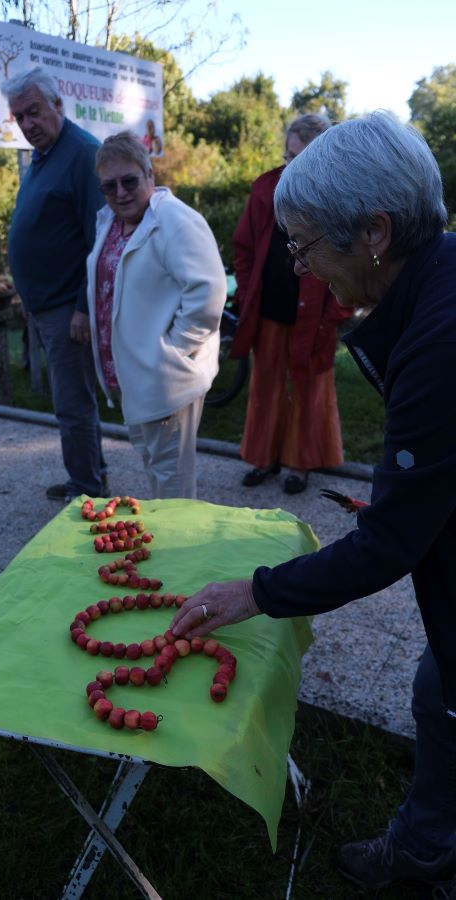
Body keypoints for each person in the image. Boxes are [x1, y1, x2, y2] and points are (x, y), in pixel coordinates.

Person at [170, 112, 456, 893]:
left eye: (305, 246)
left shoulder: (437, 340)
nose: (298, 269)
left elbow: (389, 548)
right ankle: (428, 842)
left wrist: (257, 592)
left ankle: (429, 856)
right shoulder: (440, 279)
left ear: (374, 231)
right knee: (441, 692)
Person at [85, 131, 226, 499]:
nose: (120, 193)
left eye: (129, 181)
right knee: (155, 468)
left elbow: (207, 292)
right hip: (136, 376)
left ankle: (182, 554)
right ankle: (168, 548)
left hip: (164, 378)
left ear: (150, 174)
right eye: (109, 186)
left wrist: (172, 353)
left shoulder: (175, 220)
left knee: (173, 483)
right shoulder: (111, 222)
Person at [232, 114, 353, 495]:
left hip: (314, 317)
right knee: (265, 386)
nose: (290, 167)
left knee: (309, 387)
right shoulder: (265, 189)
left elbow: (354, 263)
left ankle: (300, 463)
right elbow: (245, 248)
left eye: (299, 159)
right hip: (269, 310)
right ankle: (263, 457)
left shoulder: (340, 198)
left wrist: (335, 315)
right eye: (287, 156)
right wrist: (249, 290)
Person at [2, 67, 107, 502]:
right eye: (19, 117)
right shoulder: (43, 156)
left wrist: (84, 306)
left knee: (72, 403)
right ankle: (87, 475)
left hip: (69, 308)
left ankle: (87, 489)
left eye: (34, 112)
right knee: (69, 401)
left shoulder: (82, 152)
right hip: (46, 305)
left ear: (57, 105)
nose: (28, 125)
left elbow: (96, 236)